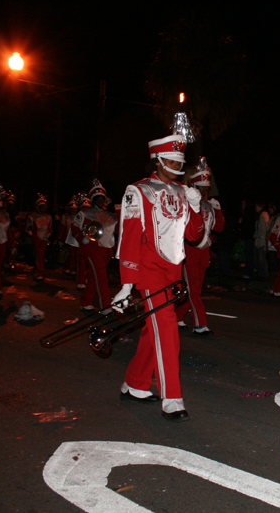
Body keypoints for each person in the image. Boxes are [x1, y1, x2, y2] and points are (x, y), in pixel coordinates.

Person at [113, 132, 204, 422]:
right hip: (150, 273)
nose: (176, 165)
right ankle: (172, 397)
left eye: (179, 160)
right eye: (171, 160)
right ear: (157, 160)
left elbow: (194, 236)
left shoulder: (181, 191)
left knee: (154, 331)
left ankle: (135, 384)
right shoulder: (137, 191)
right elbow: (128, 238)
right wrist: (127, 285)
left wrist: (196, 207)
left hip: (174, 273)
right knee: (167, 330)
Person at [175, 158, 225, 334]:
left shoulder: (210, 205)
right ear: (195, 185)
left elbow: (219, 228)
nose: (205, 189)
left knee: (195, 290)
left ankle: (178, 316)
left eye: (206, 186)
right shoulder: (186, 203)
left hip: (204, 252)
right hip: (190, 250)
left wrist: (217, 210)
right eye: (201, 186)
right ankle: (200, 323)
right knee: (194, 290)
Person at [72, 180, 117, 313]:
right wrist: (82, 238)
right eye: (97, 199)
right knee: (101, 277)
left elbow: (118, 229)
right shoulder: (85, 213)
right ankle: (105, 306)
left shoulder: (111, 215)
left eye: (102, 199)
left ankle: (86, 302)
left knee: (94, 276)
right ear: (92, 199)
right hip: (92, 249)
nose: (100, 201)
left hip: (107, 249)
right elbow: (74, 229)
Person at [26, 194, 53, 281]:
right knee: (39, 256)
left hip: (44, 238)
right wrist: (34, 237)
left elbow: (50, 228)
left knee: (41, 256)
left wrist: (47, 236)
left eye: (44, 207)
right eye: (42, 207)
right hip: (36, 238)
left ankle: (36, 270)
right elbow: (28, 228)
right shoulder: (33, 217)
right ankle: (39, 272)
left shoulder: (48, 217)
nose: (43, 209)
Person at [59, 195, 80, 276]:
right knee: (70, 254)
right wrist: (61, 238)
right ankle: (69, 268)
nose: (73, 211)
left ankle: (72, 268)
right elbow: (62, 228)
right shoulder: (65, 217)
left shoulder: (79, 216)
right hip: (68, 237)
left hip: (76, 237)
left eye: (74, 209)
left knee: (75, 254)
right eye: (71, 209)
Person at [253, 201, 270, 280]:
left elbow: (262, 229)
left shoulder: (263, 215)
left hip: (262, 241)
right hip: (261, 240)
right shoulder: (262, 215)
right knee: (261, 258)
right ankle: (262, 274)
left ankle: (264, 274)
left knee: (261, 258)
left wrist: (255, 235)